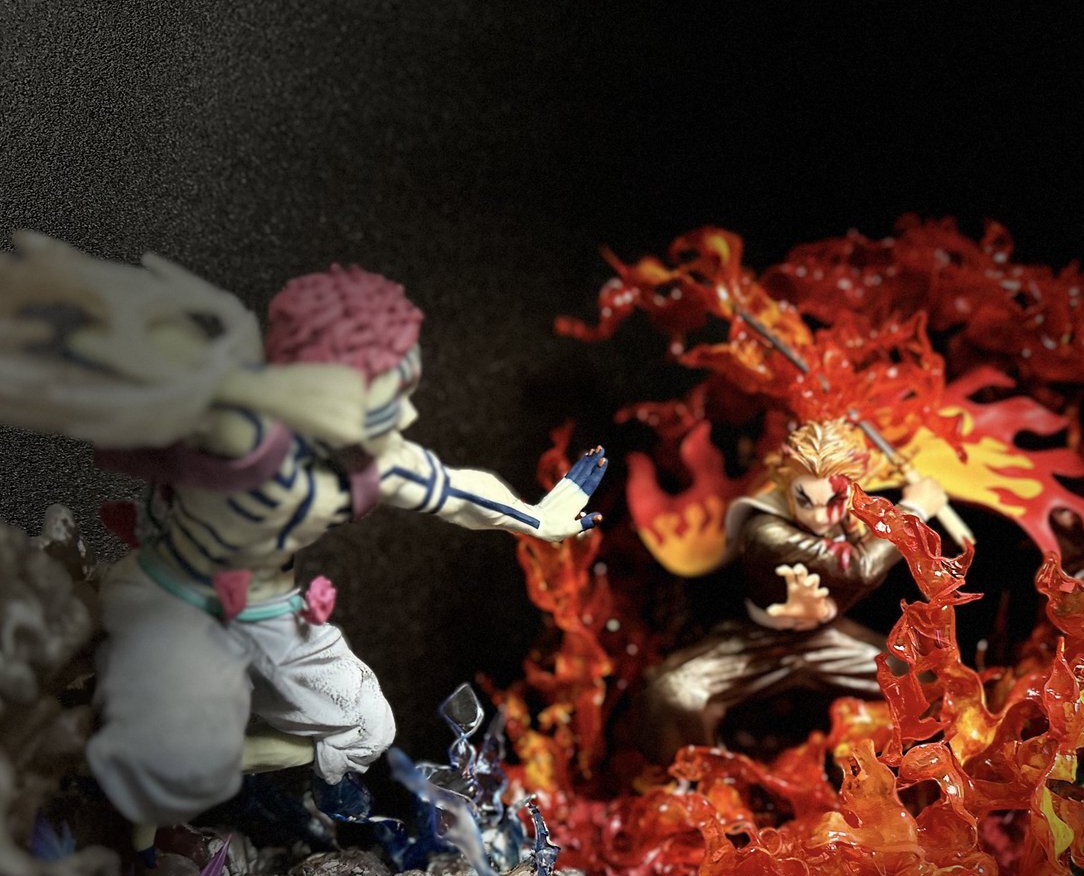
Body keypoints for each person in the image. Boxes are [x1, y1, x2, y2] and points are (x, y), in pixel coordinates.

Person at [0, 236, 606, 842]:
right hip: (176, 601)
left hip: (256, 613)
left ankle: (182, 775)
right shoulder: (230, 417)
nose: (404, 418)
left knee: (366, 727)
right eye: (386, 397)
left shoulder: (364, 455)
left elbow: (455, 490)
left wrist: (534, 519)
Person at [637, 419, 944, 763]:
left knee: (921, 683)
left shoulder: (855, 517)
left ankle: (906, 765)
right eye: (805, 501)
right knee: (673, 694)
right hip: (759, 640)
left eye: (834, 501)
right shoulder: (766, 531)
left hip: (824, 637)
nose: (820, 518)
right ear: (786, 488)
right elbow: (859, 568)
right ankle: (696, 780)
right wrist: (913, 511)